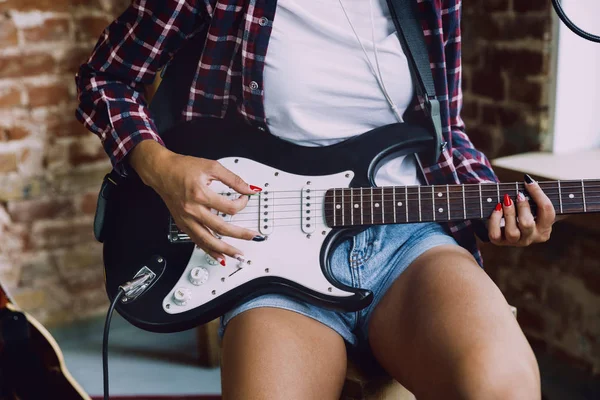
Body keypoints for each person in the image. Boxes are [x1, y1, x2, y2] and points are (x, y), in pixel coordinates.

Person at [76, 0, 555, 398]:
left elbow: (445, 132)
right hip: (268, 251)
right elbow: (105, 78)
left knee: (504, 388)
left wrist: (494, 204)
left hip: (406, 239)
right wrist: (160, 166)